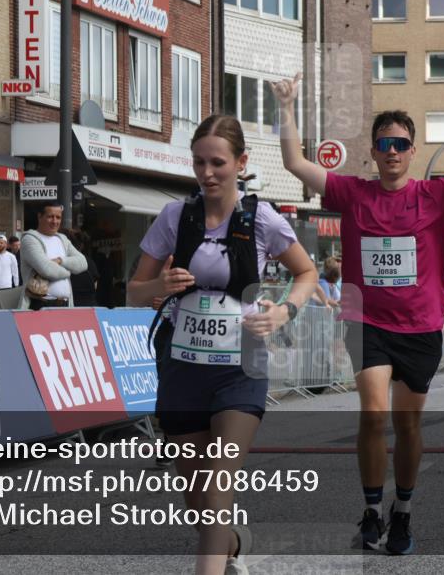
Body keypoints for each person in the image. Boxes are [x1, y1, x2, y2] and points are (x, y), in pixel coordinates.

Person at [274, 70, 444, 555]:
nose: (391, 151)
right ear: (373, 151)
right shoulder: (352, 194)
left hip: (420, 326)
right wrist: (286, 107)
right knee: (373, 415)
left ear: (412, 151)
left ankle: (403, 511)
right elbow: (294, 163)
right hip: (365, 321)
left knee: (408, 424)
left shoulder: (436, 196)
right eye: (383, 143)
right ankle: (372, 509)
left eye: (400, 143)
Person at [127, 114, 317, 575]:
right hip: (182, 368)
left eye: (217, 163)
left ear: (240, 162)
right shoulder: (175, 216)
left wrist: (283, 311)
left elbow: (306, 273)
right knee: (197, 504)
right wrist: (161, 287)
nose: (207, 173)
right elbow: (133, 290)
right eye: (198, 163)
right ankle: (233, 541)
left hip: (241, 370)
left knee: (217, 489)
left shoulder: (261, 218)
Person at [18, 203, 86, 310]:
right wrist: (69, 271)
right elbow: (47, 270)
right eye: (50, 217)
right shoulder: (29, 239)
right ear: (39, 216)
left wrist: (60, 261)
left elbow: (83, 263)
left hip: (65, 305)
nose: (55, 221)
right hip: (39, 305)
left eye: (58, 217)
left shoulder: (63, 239)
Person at [67, 229, 99, 307]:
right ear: (82, 246)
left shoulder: (63, 261)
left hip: (70, 306)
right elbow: (95, 286)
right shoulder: (89, 262)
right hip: (90, 306)